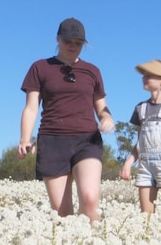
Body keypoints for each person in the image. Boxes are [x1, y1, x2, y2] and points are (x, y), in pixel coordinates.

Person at [18, 18, 114, 222]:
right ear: (57, 39)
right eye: (68, 41)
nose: (73, 46)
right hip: (53, 140)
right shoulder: (40, 67)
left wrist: (106, 118)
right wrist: (25, 138)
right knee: (62, 213)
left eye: (78, 43)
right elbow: (31, 107)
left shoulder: (93, 71)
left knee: (89, 199)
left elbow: (101, 105)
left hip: (87, 140)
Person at [120, 59, 161, 217]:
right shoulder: (140, 108)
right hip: (144, 166)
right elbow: (140, 142)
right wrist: (128, 163)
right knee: (146, 217)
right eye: (144, 75)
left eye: (149, 75)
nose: (144, 78)